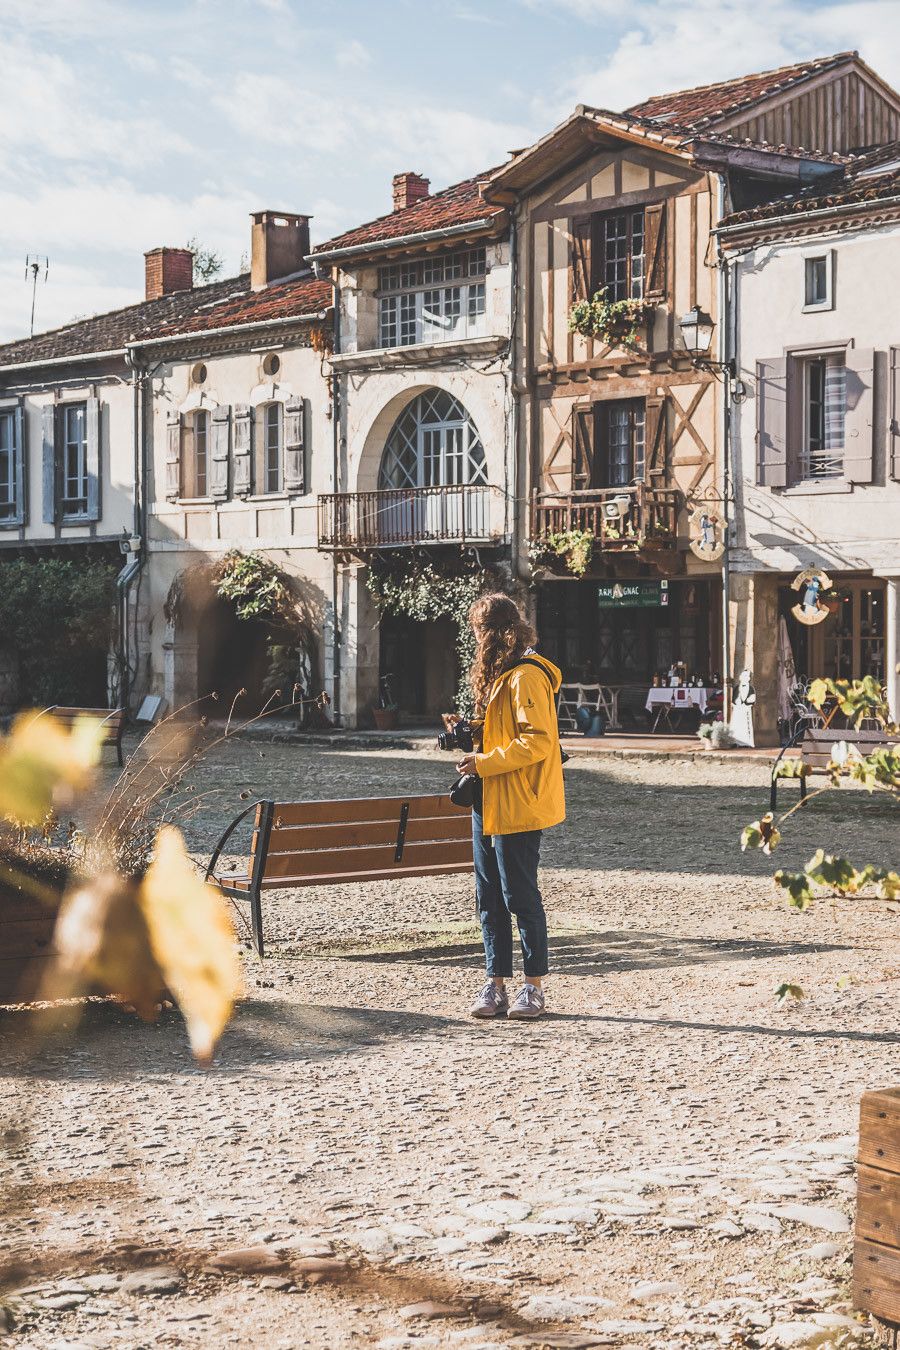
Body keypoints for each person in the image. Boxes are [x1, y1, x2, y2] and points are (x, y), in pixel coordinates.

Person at [455, 593, 565, 1021]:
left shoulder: (526, 676)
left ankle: (533, 986)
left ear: (494, 633)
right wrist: (471, 734)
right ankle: (494, 982)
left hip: (518, 799)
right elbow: (505, 735)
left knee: (519, 894)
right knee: (488, 897)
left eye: (478, 631)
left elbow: (537, 741)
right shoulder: (502, 675)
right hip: (488, 797)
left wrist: (484, 760)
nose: (475, 640)